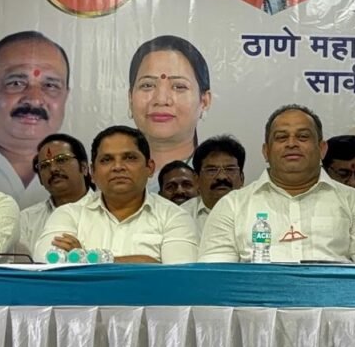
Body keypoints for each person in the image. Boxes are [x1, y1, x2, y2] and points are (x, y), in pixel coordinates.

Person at [199, 105, 355, 264]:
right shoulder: (232, 206)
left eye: (303, 137)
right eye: (281, 137)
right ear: (266, 151)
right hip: (256, 299)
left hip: (335, 298)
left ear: (322, 149)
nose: (291, 144)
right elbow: (216, 280)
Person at [34, 126, 199, 263]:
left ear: (149, 167)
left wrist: (87, 258)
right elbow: (47, 260)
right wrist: (146, 262)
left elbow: (178, 276)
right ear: (93, 172)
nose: (118, 167)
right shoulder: (68, 214)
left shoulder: (175, 217)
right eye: (107, 160)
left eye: (129, 158)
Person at [0, 31, 70, 208]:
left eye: (50, 85)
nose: (35, 99)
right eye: (16, 83)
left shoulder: (91, 175)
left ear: (65, 97)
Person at [128, 35, 211, 188]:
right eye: (147, 85)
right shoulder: (111, 176)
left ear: (204, 101)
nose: (161, 100)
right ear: (130, 98)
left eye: (179, 86)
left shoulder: (216, 178)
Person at [15, 133, 94, 255]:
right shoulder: (26, 220)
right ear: (40, 179)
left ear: (84, 167)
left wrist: (84, 257)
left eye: (61, 160)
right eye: (45, 165)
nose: (53, 169)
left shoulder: (107, 210)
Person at [184, 135, 246, 234]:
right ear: (196, 179)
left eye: (230, 169)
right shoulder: (182, 215)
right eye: (212, 170)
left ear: (242, 178)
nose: (221, 177)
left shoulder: (256, 211)